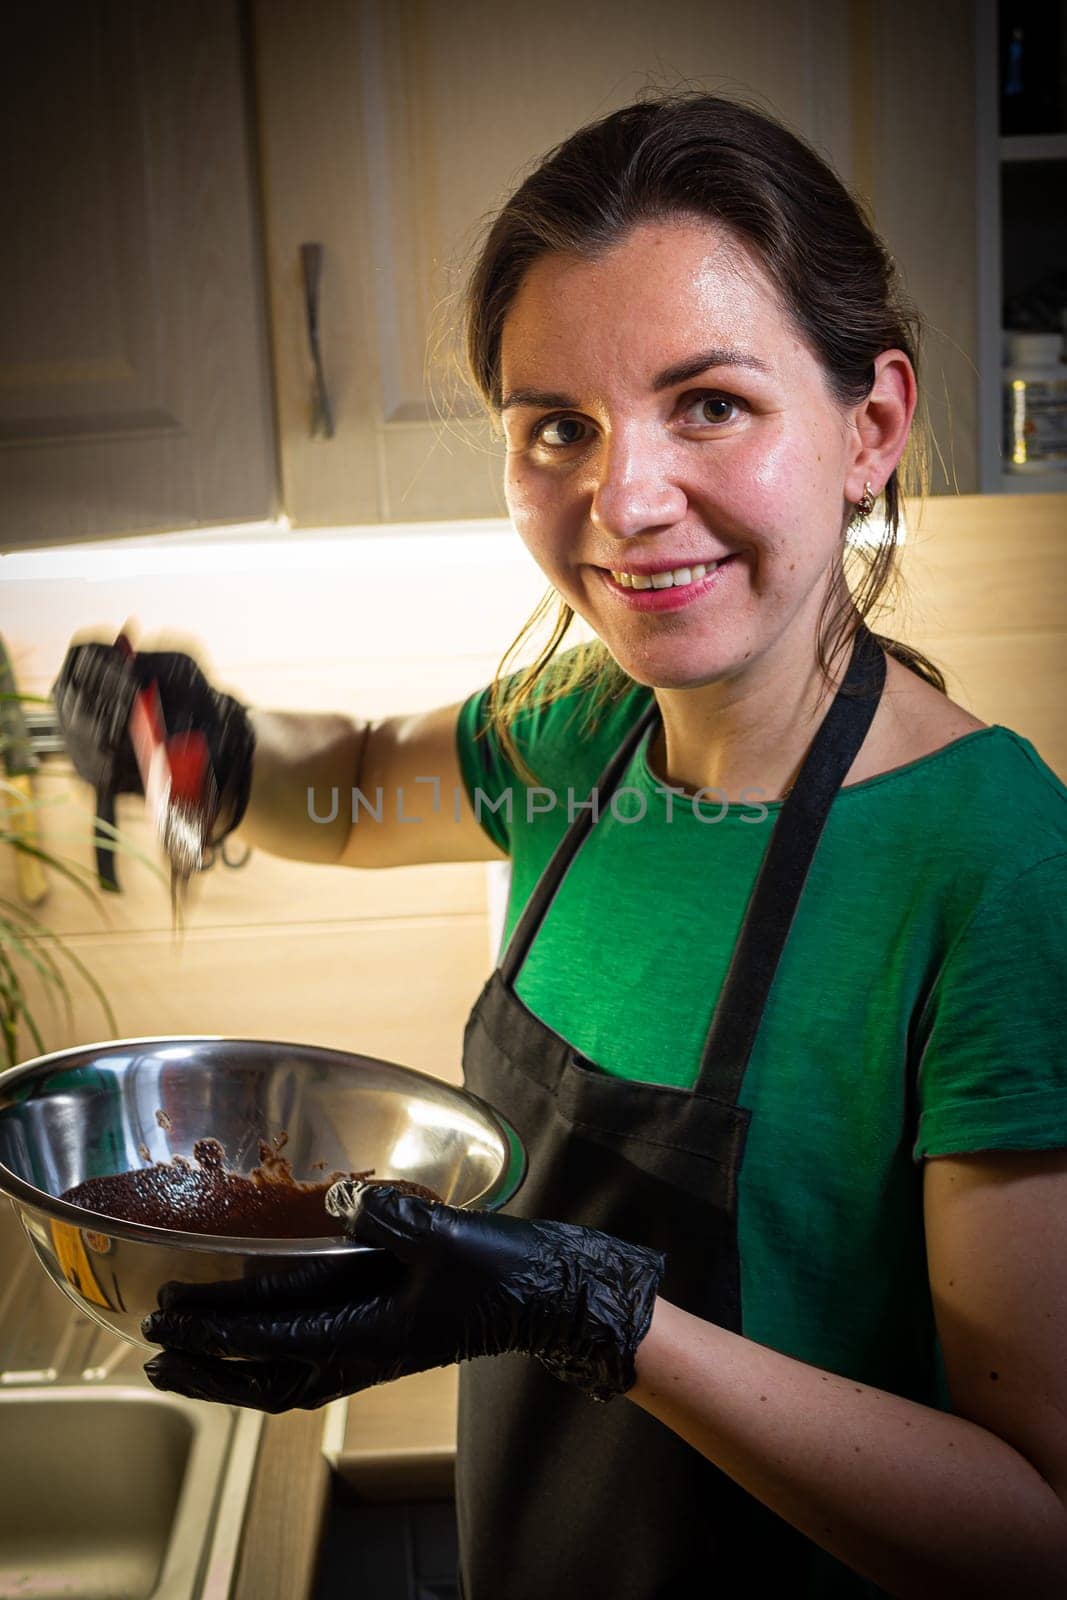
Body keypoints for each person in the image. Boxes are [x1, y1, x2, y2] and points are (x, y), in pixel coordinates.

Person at [52, 93, 1067, 1599]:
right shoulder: (581, 739)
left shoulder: (991, 864)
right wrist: (193, 737)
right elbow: (347, 784)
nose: (627, 501)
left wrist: (602, 1319)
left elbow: (1031, 1529)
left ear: (871, 427)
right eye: (559, 429)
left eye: (710, 404)